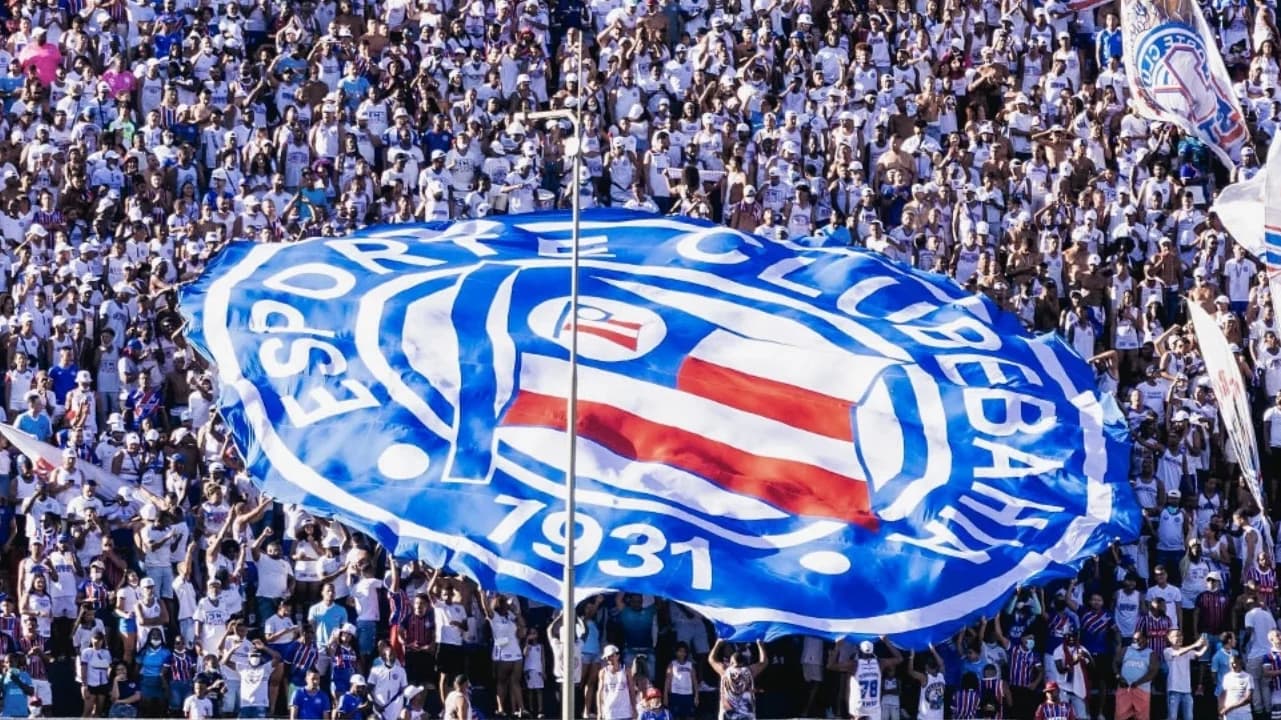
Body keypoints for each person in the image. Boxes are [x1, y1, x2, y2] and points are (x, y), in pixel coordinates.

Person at [707, 639, 768, 720]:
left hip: (727, 714)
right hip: (746, 714)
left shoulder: (725, 671)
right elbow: (764, 662)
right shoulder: (749, 671)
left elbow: (711, 659)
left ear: (731, 662)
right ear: (743, 662)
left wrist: (717, 644)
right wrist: (760, 645)